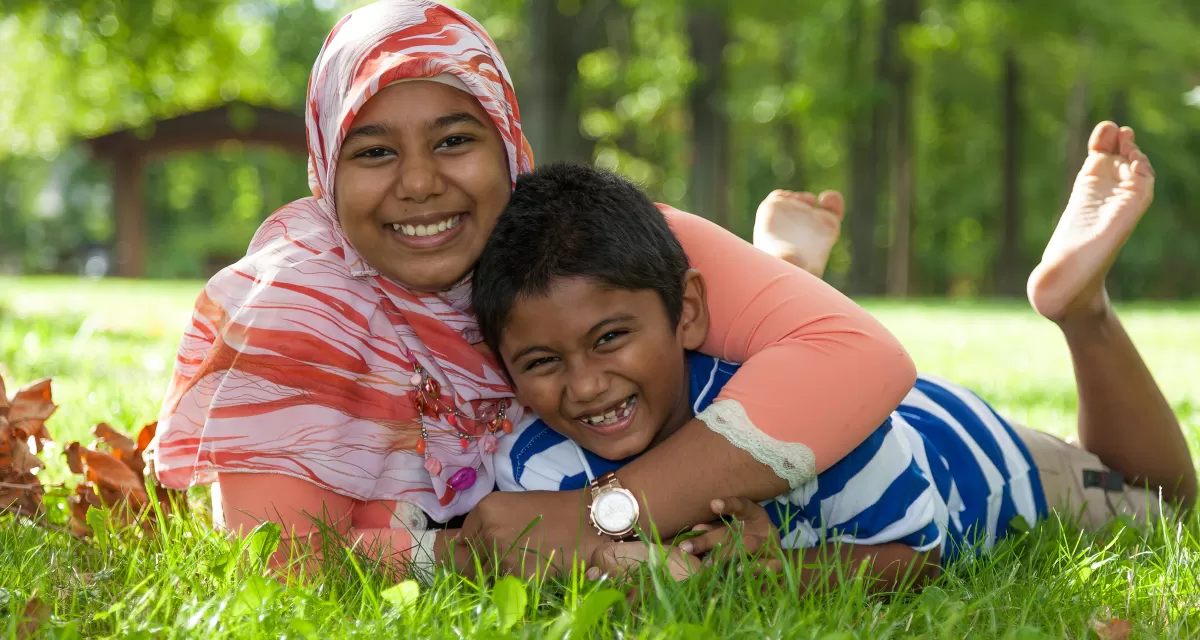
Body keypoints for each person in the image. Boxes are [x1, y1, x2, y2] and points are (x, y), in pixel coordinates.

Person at [150, 0, 916, 575]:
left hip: (883, 422)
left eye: (455, 140)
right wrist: (482, 554)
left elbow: (862, 360)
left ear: (509, 142)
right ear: (325, 164)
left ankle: (780, 271)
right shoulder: (298, 308)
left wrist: (602, 517)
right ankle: (780, 268)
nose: (419, 184)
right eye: (374, 151)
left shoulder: (568, 234)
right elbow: (274, 556)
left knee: (1041, 462)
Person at [473, 151, 1193, 588]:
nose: (586, 384)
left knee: (1170, 501)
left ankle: (1081, 309)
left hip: (972, 454)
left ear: (689, 311)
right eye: (542, 362)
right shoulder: (540, 464)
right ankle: (785, 274)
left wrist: (779, 570)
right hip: (821, 397)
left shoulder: (834, 432)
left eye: (609, 338)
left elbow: (918, 554)